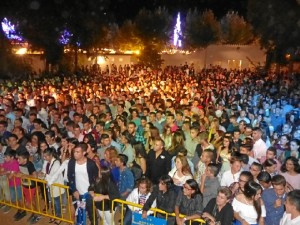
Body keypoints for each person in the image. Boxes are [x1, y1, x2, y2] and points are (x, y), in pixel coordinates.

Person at [67, 143, 99, 225]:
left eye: (78, 152)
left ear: (84, 152)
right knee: (79, 212)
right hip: (77, 194)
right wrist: (74, 190)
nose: (75, 154)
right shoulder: (71, 162)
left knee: (92, 214)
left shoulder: (91, 164)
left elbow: (96, 179)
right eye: (74, 152)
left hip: (88, 194)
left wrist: (91, 189)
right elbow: (70, 177)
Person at [44, 148, 65, 225]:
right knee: (52, 202)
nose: (44, 158)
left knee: (56, 202)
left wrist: (45, 176)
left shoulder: (56, 163)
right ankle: (55, 215)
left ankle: (59, 217)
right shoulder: (48, 163)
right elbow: (46, 172)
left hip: (56, 186)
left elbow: (54, 176)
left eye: (46, 156)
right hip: (50, 186)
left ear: (51, 155)